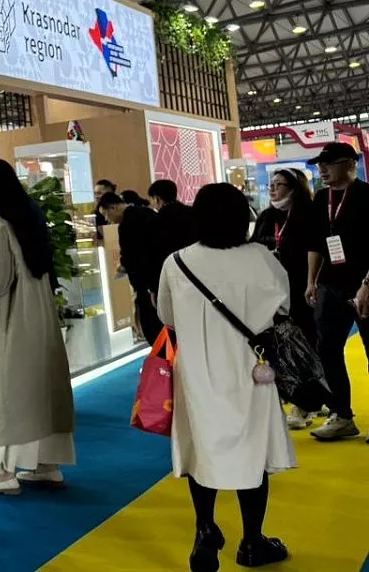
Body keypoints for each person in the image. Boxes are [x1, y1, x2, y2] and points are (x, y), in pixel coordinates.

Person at [156, 182, 294, 571]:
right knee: (254, 452)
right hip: (252, 370)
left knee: (202, 449)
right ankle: (252, 542)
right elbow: (284, 306)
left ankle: (205, 528)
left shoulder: (177, 263)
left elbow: (167, 317)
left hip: (197, 371)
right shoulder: (262, 258)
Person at [0, 159, 75, 493]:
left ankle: (2, 472)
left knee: (6, 394)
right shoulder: (28, 217)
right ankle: (47, 464)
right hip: (39, 317)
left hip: (10, 320)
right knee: (41, 392)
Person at [304, 142, 369, 441]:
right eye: (320, 165)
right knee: (327, 351)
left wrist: (366, 285)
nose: (322, 169)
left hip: (364, 285)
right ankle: (342, 415)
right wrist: (311, 281)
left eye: (328, 163)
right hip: (330, 285)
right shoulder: (321, 199)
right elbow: (315, 243)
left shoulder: (366, 195)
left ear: (350, 164)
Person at [251, 169, 316, 430]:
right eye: (272, 184)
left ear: (294, 188)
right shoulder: (267, 216)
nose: (273, 189)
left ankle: (308, 403)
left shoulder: (307, 214)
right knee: (282, 348)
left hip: (302, 289)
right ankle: (298, 399)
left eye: (279, 185)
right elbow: (254, 245)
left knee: (307, 345)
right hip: (273, 291)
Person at [99, 191, 164, 343]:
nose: (107, 219)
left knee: (152, 327)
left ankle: (160, 355)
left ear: (113, 207)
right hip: (160, 276)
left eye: (106, 214)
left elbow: (131, 256)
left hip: (146, 282)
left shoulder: (127, 224)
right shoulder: (147, 212)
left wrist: (122, 267)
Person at [148, 179, 198, 260]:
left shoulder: (157, 219)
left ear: (157, 198)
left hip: (172, 262)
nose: (150, 203)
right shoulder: (192, 212)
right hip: (194, 259)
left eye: (151, 198)